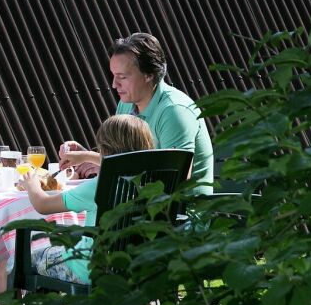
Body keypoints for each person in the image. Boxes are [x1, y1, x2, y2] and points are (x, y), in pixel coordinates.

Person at [60, 32, 213, 194]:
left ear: (149, 74)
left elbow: (174, 180)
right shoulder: (126, 105)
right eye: (113, 76)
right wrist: (86, 156)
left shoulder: (174, 112)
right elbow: (125, 161)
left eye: (122, 77)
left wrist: (96, 161)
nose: (114, 84)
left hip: (181, 213)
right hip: (142, 203)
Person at [19, 115, 156, 285]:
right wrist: (86, 156)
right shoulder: (153, 180)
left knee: (12, 263)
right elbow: (123, 159)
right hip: (138, 267)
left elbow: (42, 205)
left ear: (104, 149)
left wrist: (32, 185)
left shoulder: (99, 186)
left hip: (88, 268)